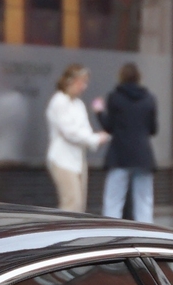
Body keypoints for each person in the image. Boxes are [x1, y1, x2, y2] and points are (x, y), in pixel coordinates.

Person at [97, 63, 159, 222]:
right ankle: (146, 238)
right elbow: (153, 129)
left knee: (113, 201)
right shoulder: (149, 99)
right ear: (139, 77)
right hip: (143, 156)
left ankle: (112, 237)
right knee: (144, 202)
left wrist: (99, 113)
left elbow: (109, 127)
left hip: (120, 155)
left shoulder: (115, 97)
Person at [45, 64, 109, 212]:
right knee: (71, 203)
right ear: (70, 81)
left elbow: (84, 130)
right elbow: (70, 132)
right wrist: (94, 139)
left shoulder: (78, 104)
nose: (84, 87)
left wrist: (93, 137)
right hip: (62, 160)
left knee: (79, 207)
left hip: (78, 160)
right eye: (81, 82)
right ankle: (61, 234)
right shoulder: (59, 101)